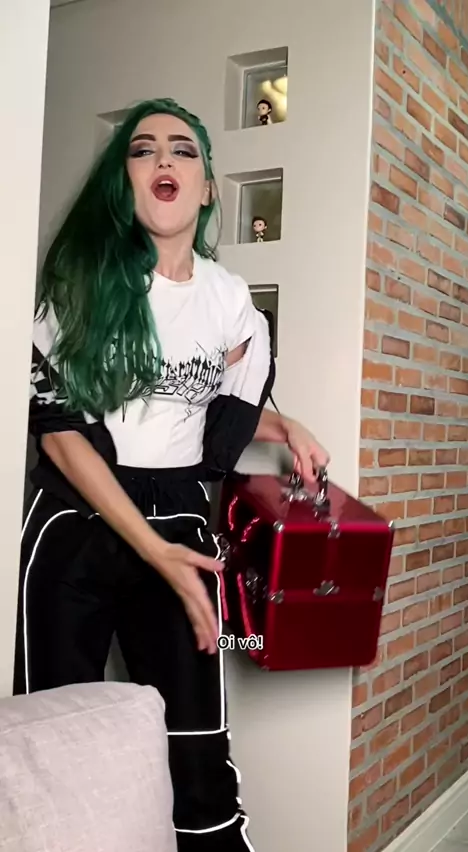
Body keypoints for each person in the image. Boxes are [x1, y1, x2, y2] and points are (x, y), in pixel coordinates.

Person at [14, 97, 329, 851]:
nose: (163, 159)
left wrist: (287, 425)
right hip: (77, 519)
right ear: (125, 180)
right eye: (142, 148)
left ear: (207, 186)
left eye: (183, 150)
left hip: (178, 512)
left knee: (196, 746)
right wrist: (149, 548)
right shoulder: (80, 284)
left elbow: (203, 409)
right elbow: (61, 437)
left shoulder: (227, 298)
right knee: (55, 743)